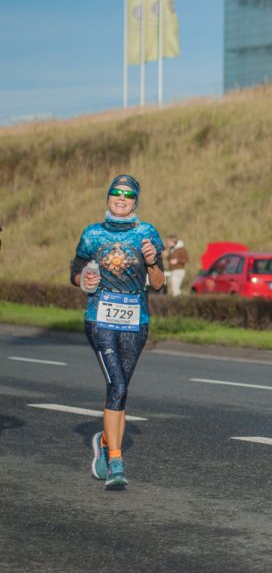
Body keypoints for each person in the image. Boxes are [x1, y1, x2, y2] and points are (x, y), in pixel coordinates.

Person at [70, 174, 164, 490]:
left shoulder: (147, 233)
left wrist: (152, 262)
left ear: (135, 201)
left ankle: (104, 441)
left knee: (120, 390)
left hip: (135, 322)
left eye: (128, 195)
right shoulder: (92, 234)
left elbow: (160, 283)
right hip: (100, 318)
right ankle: (116, 461)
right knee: (118, 384)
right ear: (108, 197)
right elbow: (75, 271)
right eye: (116, 193)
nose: (121, 198)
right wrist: (84, 280)